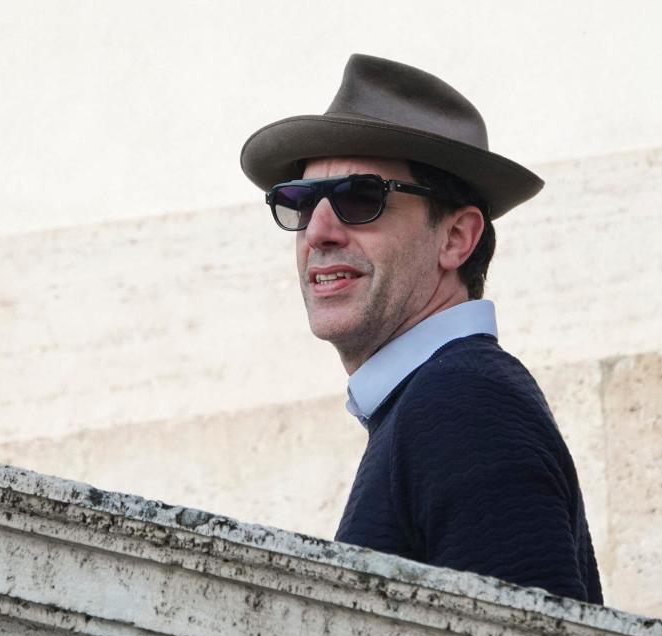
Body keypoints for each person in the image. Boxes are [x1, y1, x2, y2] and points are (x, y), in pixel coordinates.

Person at [241, 54, 602, 604]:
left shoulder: (463, 405)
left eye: (361, 198)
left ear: (457, 237)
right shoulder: (436, 401)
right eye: (300, 200)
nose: (317, 231)